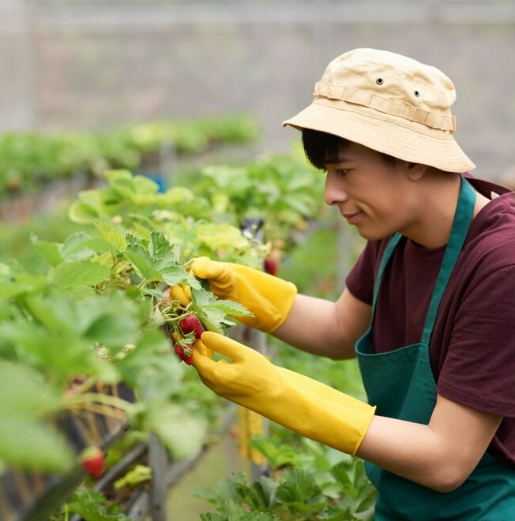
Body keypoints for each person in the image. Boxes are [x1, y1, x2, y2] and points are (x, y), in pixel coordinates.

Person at [190, 48, 515, 519]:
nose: (330, 195)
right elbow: (342, 327)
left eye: (343, 172)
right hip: (401, 503)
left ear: (413, 160)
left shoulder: (500, 265)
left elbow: (447, 459)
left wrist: (274, 392)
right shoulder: (399, 232)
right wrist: (242, 293)